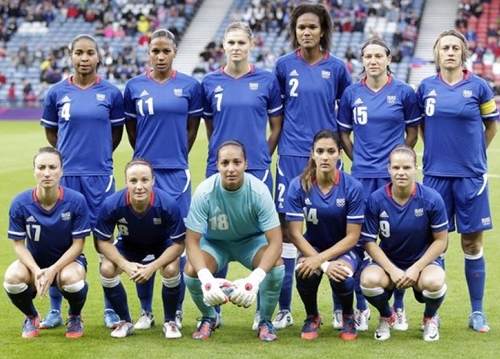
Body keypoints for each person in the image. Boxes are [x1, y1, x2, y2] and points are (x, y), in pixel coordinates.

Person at [273, 2, 352, 330]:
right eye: (301, 27)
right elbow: (275, 115)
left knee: (335, 228)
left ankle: (339, 307)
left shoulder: (337, 68)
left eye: (312, 27)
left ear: (323, 31)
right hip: (291, 156)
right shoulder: (282, 65)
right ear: (295, 31)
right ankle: (285, 307)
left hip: (328, 158)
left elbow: (346, 117)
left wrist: (349, 154)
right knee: (286, 234)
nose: (306, 32)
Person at [200, 21, 283, 329]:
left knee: (265, 238)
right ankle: (212, 309)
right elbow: (211, 128)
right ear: (223, 46)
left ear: (251, 44)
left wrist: (262, 154)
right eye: (230, 42)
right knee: (214, 235)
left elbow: (276, 126)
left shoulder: (266, 81)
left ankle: (265, 316)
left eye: (241, 42)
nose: (236, 47)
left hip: (258, 169)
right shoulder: (209, 82)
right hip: (218, 170)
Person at [40, 34, 125, 330]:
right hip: (67, 178)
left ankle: (110, 309)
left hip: (100, 178)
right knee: (59, 243)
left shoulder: (112, 94)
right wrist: (69, 160)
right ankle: (54, 309)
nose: (84, 57)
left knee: (104, 243)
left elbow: (115, 136)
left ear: (99, 57)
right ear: (71, 56)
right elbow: (53, 135)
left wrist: (97, 157)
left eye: (90, 53)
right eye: (79, 52)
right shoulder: (56, 93)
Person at [416, 29, 498, 333]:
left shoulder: (479, 87)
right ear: (437, 53)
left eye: (455, 48)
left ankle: (477, 312)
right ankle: (432, 313)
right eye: (444, 47)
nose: (449, 52)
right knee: (436, 244)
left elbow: (491, 126)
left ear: (463, 53)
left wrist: (473, 155)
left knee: (472, 242)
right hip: (436, 177)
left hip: (470, 178)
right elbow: (422, 127)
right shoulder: (424, 88)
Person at [337, 36, 421, 331]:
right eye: (367, 56)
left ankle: (398, 307)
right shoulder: (351, 93)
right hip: (361, 176)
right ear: (362, 61)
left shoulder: (403, 92)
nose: (372, 61)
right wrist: (357, 158)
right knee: (360, 240)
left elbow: (413, 132)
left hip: (392, 178)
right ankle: (363, 308)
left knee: (395, 240)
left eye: (378, 56)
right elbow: (344, 135)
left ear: (388, 59)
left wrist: (398, 160)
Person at [124, 28, 202, 331]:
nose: (160, 56)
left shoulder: (189, 86)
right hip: (144, 173)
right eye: (154, 51)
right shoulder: (133, 87)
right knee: (143, 240)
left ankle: (176, 311)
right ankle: (145, 311)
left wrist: (179, 153)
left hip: (176, 174)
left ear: (174, 53)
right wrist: (143, 157)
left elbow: (192, 128)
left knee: (175, 243)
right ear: (148, 54)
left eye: (165, 51)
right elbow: (131, 130)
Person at [183, 140, 285, 342]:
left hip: (251, 243)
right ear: (217, 165)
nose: (231, 168)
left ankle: (264, 321)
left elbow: (276, 243)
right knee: (191, 270)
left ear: (245, 164)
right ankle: (209, 317)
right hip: (215, 245)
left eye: (236, 162)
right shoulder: (204, 192)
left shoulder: (259, 191)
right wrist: (206, 279)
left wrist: (254, 280)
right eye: (225, 163)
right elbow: (192, 242)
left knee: (277, 265)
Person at [360, 146, 448, 341]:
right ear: (389, 169)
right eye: (397, 167)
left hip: (422, 263)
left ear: (416, 168)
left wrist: (416, 268)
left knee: (434, 282)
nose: (401, 172)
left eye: (407, 167)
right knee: (367, 280)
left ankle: (429, 318)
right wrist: (391, 269)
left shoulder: (432, 199)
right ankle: (386, 316)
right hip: (389, 263)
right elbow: (369, 242)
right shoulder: (376, 200)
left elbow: (441, 241)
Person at [285, 130, 365, 341]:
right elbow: (294, 233)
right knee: (304, 270)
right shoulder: (299, 185)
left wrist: (324, 262)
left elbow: (352, 237)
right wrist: (320, 262)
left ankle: (348, 315)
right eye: (320, 151)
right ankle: (312, 316)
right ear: (312, 154)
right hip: (314, 246)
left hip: (346, 249)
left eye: (331, 151)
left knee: (342, 274)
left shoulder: (353, 187)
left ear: (339, 154)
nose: (325, 156)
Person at [94, 158, 186, 339]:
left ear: (153, 180)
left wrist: (152, 267)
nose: (139, 186)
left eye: (144, 180)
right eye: (133, 181)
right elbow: (102, 241)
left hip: (162, 244)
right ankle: (125, 321)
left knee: (171, 268)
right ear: (125, 182)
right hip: (129, 245)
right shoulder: (112, 204)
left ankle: (170, 322)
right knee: (106, 268)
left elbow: (178, 245)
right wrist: (125, 265)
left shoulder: (167, 204)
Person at [4, 147, 90, 339]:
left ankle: (75, 315)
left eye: (52, 167)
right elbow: (18, 244)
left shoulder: (76, 201)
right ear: (34, 170)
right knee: (11, 279)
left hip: (68, 262)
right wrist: (36, 270)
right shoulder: (20, 202)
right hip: (34, 261)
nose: (47, 173)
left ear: (61, 170)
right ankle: (31, 317)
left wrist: (53, 270)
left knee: (73, 282)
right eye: (41, 167)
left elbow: (78, 245)